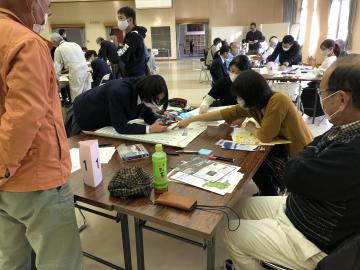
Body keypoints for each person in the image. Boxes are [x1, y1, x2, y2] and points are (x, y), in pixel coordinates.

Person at [223, 55, 360, 270]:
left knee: (230, 233)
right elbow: (311, 147)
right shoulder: (345, 126)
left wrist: (307, 154)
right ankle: (259, 253)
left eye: (322, 93)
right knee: (239, 205)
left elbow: (293, 174)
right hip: (299, 207)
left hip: (311, 238)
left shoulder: (352, 151)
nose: (320, 98)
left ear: (341, 100)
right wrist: (308, 153)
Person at [0, 1, 82, 269]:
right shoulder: (25, 41)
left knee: (11, 260)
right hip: (35, 176)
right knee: (59, 262)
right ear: (30, 2)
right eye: (46, 4)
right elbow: (24, 117)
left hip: (6, 182)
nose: (46, 11)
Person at [177, 70, 313, 195]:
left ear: (253, 94)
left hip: (299, 154)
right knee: (254, 159)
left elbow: (265, 136)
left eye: (240, 96)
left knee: (255, 162)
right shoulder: (253, 105)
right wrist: (192, 119)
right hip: (282, 147)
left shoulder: (277, 100)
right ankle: (268, 191)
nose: (238, 100)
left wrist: (251, 127)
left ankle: (270, 194)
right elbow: (222, 114)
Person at [71, 75, 169, 135]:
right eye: (156, 100)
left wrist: (158, 121)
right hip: (83, 112)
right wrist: (150, 129)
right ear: (147, 93)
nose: (156, 104)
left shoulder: (143, 91)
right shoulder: (119, 91)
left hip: (104, 117)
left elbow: (146, 113)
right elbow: (121, 127)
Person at [51, 33, 91, 102]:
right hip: (86, 70)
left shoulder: (58, 49)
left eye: (52, 43)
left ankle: (78, 112)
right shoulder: (75, 44)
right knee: (87, 95)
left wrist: (55, 79)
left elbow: (57, 68)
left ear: (54, 42)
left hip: (76, 72)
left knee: (77, 98)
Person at [116, 6, 147, 78]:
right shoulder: (129, 35)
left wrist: (119, 48)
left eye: (121, 18)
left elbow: (123, 56)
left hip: (135, 76)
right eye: (118, 19)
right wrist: (120, 48)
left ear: (129, 20)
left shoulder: (134, 36)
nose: (119, 22)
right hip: (132, 73)